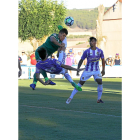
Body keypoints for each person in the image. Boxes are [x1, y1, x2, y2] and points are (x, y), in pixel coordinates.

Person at [66, 37, 105, 104]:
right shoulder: (86, 51)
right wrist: (78, 69)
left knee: (100, 82)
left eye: (92, 41)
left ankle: (99, 99)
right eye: (90, 41)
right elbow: (81, 60)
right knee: (80, 83)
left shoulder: (100, 51)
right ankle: (70, 97)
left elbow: (103, 60)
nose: (91, 42)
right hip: (87, 70)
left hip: (96, 70)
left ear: (95, 42)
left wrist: (103, 70)